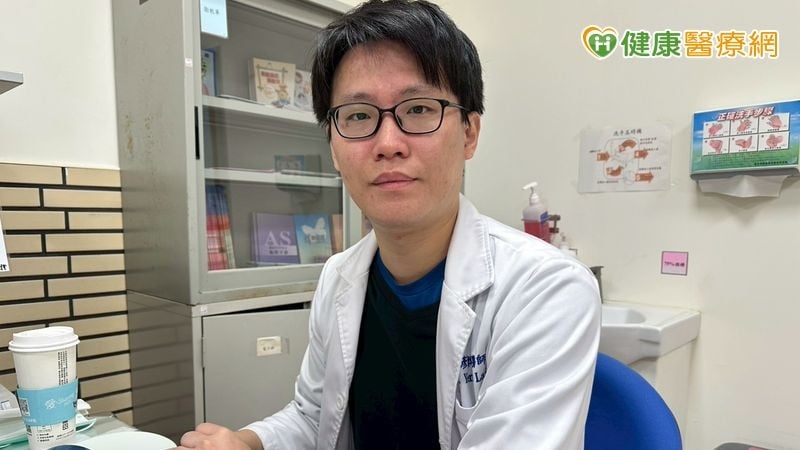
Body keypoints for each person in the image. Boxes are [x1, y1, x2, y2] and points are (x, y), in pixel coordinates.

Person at [176, 1, 600, 449]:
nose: (388, 143)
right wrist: (248, 442)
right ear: (333, 148)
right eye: (358, 116)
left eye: (418, 109)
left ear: (469, 133)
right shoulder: (338, 277)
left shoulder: (546, 288)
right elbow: (314, 415)